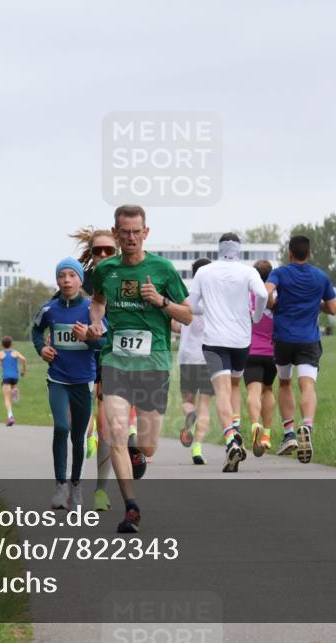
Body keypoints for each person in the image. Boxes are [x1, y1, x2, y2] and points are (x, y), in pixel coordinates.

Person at [89, 204, 191, 533]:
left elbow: (187, 316)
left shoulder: (163, 270)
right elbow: (98, 301)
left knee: (147, 445)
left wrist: (160, 300)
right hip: (116, 361)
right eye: (125, 231)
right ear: (116, 233)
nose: (131, 237)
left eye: (137, 231)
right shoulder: (106, 270)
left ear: (146, 233)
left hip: (154, 362)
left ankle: (138, 448)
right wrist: (96, 324)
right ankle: (131, 507)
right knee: (114, 435)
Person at [189, 233, 268, 472]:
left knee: (221, 390)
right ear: (238, 249)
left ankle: (231, 438)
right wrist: (255, 316)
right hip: (241, 340)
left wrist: (209, 310)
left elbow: (191, 306)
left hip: (214, 341)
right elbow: (263, 295)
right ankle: (235, 428)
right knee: (234, 386)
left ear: (219, 249)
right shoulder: (248, 272)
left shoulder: (204, 272)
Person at [32, 257, 107, 510]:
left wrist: (89, 337)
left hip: (84, 380)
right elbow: (35, 331)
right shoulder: (49, 309)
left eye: (71, 275)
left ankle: (76, 486)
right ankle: (60, 486)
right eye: (62, 276)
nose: (66, 280)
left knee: (78, 436)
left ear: (80, 280)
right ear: (57, 280)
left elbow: (104, 344)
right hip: (58, 378)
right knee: (62, 427)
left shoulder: (91, 309)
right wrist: (42, 348)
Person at [265, 235, 336, 462]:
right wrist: (315, 303)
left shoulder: (280, 273)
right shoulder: (320, 276)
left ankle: (289, 433)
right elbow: (334, 309)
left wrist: (273, 304)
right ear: (309, 253)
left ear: (289, 253)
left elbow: (265, 291)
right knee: (307, 385)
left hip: (284, 339)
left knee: (285, 383)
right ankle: (306, 426)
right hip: (308, 339)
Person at [66, 226, 120, 512]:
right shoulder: (77, 279)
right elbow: (56, 316)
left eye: (108, 250)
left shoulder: (126, 279)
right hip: (78, 361)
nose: (102, 255)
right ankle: (71, 483)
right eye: (97, 250)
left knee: (107, 423)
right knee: (78, 423)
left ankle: (101, 490)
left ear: (117, 251)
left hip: (111, 357)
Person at [174, 258, 214, 465]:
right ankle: (197, 448)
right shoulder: (215, 299)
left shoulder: (186, 298)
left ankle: (190, 417)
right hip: (209, 357)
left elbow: (175, 325)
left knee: (188, 401)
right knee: (205, 404)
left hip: (187, 356)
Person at [245, 260, 278, 457]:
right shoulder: (276, 297)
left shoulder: (247, 297)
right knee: (268, 390)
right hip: (272, 352)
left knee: (253, 392)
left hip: (250, 351)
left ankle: (254, 424)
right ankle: (266, 435)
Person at [0, 336, 27, 425]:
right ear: (12, 344)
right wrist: (23, 371)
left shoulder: (0, 354)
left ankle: (10, 417)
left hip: (6, 378)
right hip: (15, 377)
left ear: (2, 345)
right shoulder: (15, 352)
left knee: (7, 399)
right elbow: (24, 359)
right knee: (11, 387)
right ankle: (14, 390)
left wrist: (1, 363)